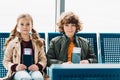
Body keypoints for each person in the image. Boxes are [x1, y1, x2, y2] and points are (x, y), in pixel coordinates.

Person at [3, 13, 47, 80]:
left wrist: (38, 66)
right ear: (17, 26)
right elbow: (6, 61)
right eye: (22, 24)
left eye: (28, 24)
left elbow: (43, 59)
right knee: (25, 77)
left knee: (38, 77)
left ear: (32, 26)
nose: (25, 27)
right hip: (18, 71)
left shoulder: (38, 43)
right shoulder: (12, 43)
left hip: (34, 70)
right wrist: (15, 67)